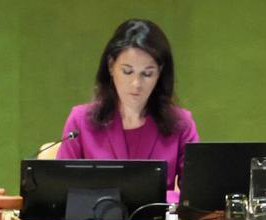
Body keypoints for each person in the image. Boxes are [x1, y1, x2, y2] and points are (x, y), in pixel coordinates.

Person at [54, 19, 199, 196]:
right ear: (111, 66)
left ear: (160, 73)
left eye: (147, 74)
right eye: (127, 71)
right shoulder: (80, 120)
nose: (136, 84)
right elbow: (61, 193)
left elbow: (197, 196)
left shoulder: (181, 123)